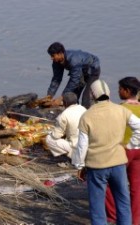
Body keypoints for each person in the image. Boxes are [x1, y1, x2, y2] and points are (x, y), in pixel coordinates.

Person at [72, 79, 140, 225]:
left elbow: (82, 145)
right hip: (118, 164)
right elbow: (139, 127)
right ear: (108, 93)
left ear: (92, 95)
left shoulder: (87, 116)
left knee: (97, 207)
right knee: (123, 201)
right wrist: (130, 145)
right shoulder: (121, 110)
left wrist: (78, 165)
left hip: (96, 166)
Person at [105, 77, 140, 225]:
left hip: (125, 149)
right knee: (136, 185)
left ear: (126, 91)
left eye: (120, 89)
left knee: (107, 181)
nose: (118, 91)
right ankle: (135, 219)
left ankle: (113, 215)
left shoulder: (120, 109)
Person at [46, 42, 100, 109]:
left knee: (86, 98)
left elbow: (74, 80)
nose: (51, 58)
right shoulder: (56, 62)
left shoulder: (73, 60)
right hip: (81, 72)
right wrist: (49, 96)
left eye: (53, 55)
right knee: (73, 97)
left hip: (93, 70)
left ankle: (86, 114)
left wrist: (61, 97)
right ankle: (75, 114)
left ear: (60, 53)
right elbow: (56, 79)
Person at [45, 92, 86, 158]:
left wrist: (50, 132)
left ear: (65, 103)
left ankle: (73, 155)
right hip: (87, 145)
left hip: (77, 148)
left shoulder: (63, 115)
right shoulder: (84, 109)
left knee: (49, 139)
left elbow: (56, 136)